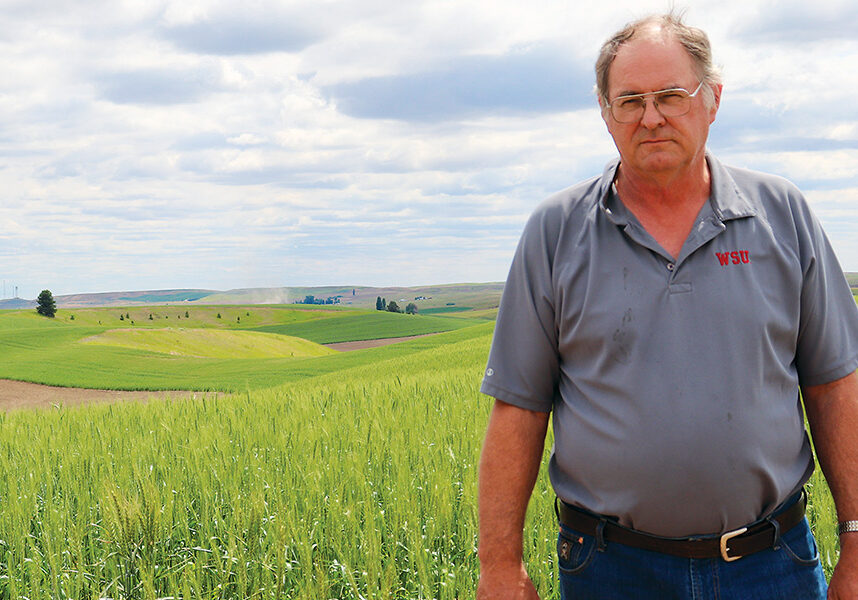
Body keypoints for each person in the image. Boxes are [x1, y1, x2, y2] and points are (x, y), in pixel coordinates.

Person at [477, 12, 858, 600]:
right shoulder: (555, 233)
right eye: (628, 101)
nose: (650, 117)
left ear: (713, 100)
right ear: (605, 115)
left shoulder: (783, 215)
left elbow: (835, 388)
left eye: (670, 96)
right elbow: (518, 410)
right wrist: (499, 567)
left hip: (769, 563)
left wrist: (856, 540)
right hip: (611, 570)